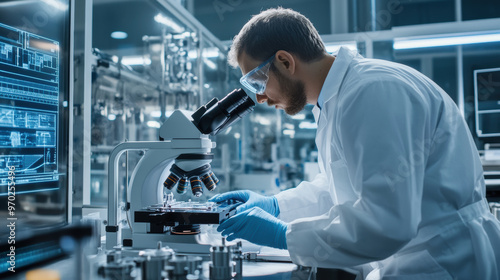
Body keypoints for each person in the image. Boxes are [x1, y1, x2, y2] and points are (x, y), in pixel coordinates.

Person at [210, 7, 500, 280]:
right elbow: (342, 189)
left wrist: (282, 235)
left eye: (257, 82)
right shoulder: (336, 100)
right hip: (415, 259)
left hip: (443, 262)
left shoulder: (372, 93)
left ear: (285, 62)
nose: (260, 98)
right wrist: (276, 206)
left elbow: (385, 222)